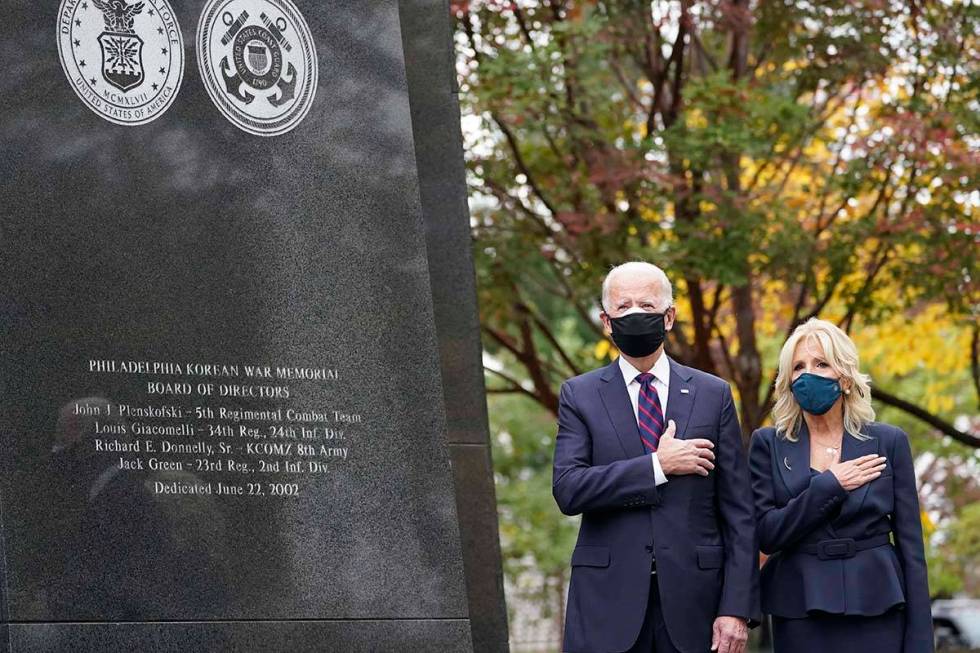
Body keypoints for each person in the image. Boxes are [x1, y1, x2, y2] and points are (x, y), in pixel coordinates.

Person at [553, 261, 759, 653]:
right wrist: (656, 467)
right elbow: (568, 489)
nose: (635, 315)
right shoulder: (579, 395)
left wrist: (736, 608)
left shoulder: (712, 394)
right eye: (624, 306)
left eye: (646, 307)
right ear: (606, 321)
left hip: (694, 606)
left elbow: (739, 512)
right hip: (606, 606)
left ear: (669, 316)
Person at [749, 318, 933, 652]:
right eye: (798, 367)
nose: (808, 374)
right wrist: (830, 486)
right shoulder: (768, 444)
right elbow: (766, 533)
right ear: (788, 380)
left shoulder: (888, 442)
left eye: (821, 364)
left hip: (877, 603)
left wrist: (921, 640)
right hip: (800, 607)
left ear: (845, 378)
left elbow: (911, 549)